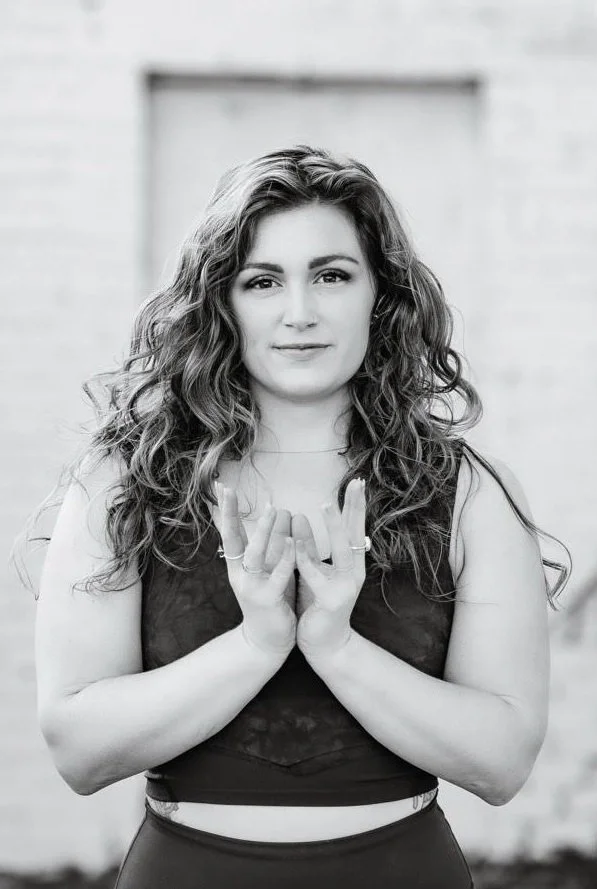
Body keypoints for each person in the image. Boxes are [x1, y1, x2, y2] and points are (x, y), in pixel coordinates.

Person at [20, 144, 569, 889]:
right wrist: (256, 643)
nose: (300, 313)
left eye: (332, 275)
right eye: (263, 280)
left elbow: (501, 761)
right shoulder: (127, 478)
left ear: (381, 293)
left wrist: (335, 645)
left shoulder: (468, 490)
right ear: (221, 299)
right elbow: (79, 750)